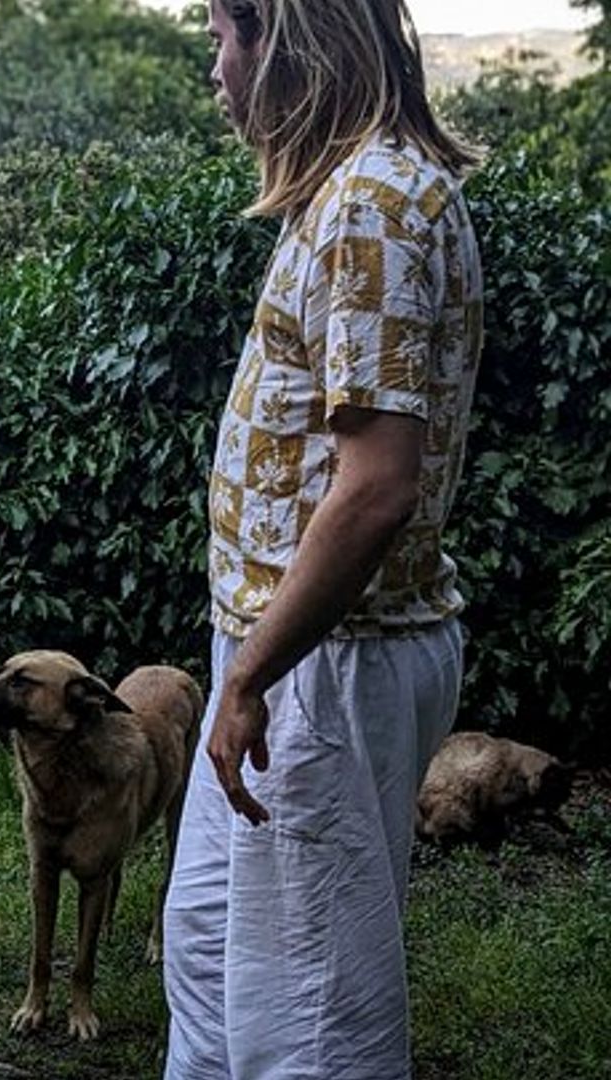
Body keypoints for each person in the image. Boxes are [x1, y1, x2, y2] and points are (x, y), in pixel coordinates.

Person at [164, 2, 484, 1077]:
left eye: (224, 35)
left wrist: (253, 673)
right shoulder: (345, 194)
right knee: (212, 953)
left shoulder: (375, 206)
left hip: (321, 667)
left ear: (286, 42)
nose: (215, 68)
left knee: (313, 1022)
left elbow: (377, 486)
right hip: (279, 659)